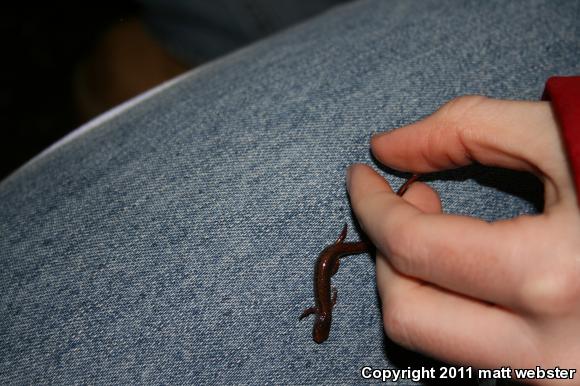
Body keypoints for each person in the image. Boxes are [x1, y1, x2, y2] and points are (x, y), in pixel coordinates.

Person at [1, 0, 579, 384]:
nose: (320, 320)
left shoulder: (323, 300)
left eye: (321, 322)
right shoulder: (323, 301)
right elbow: (323, 285)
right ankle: (180, 41)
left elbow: (322, 286)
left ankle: (169, 48)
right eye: (321, 322)